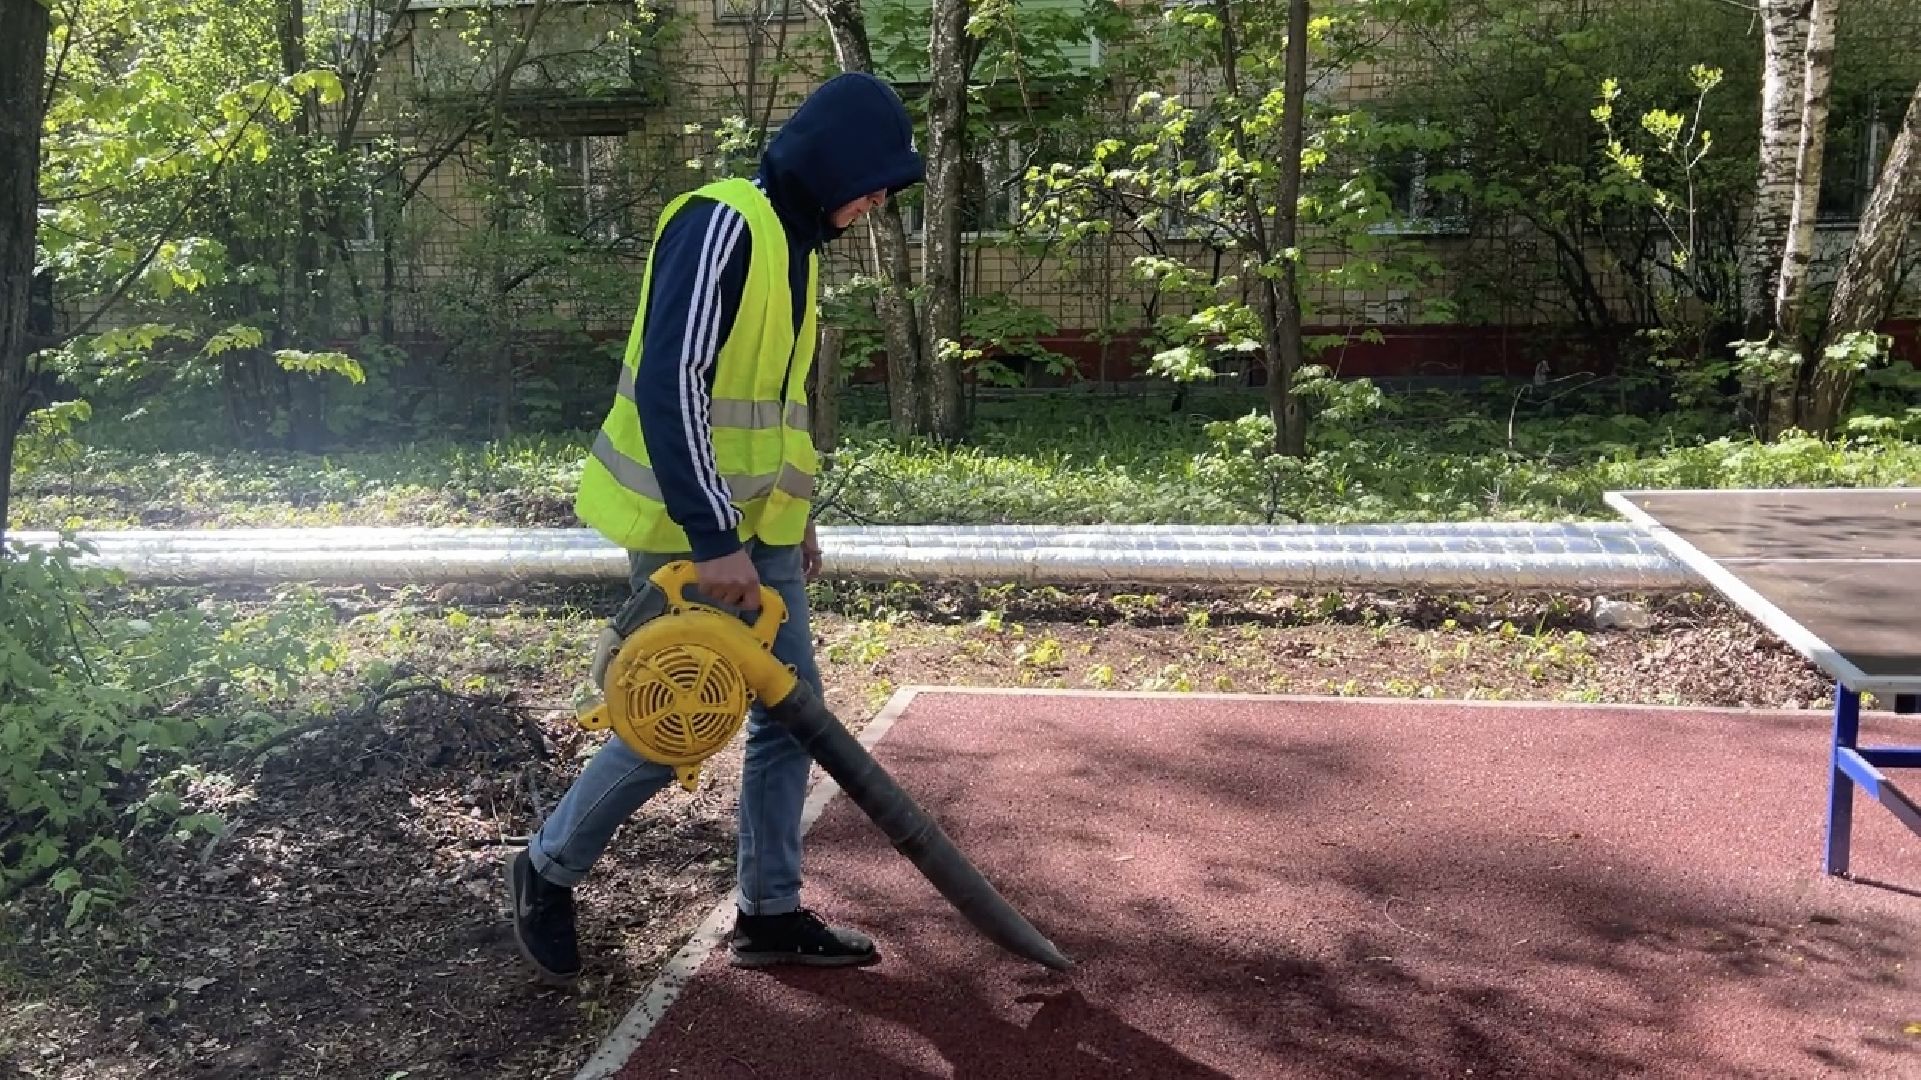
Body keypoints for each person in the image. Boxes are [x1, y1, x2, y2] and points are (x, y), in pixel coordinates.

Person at [504, 73, 924, 984]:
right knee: (681, 716)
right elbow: (674, 381)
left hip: (755, 530)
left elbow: (775, 404)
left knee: (790, 717)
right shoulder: (724, 222)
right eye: (874, 180)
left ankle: (769, 910)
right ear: (830, 164)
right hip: (683, 525)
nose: (879, 199)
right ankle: (547, 864)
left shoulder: (797, 250)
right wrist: (712, 536)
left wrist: (792, 522)